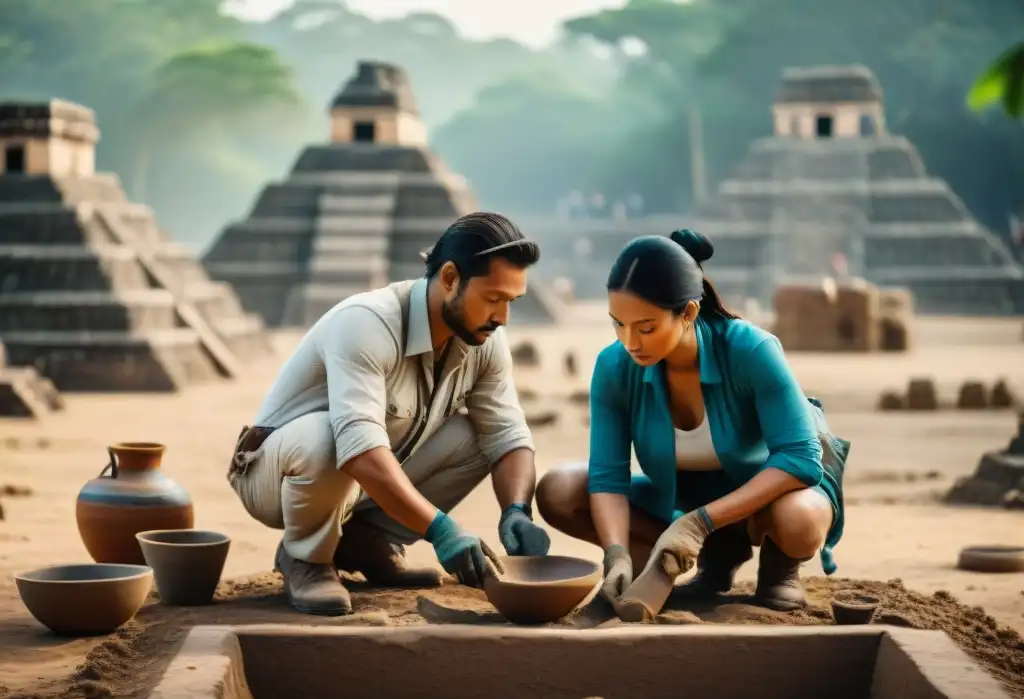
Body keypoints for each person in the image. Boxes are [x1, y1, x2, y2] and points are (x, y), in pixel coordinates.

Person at [227, 212, 552, 616]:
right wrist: (441, 531)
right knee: (332, 438)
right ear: (450, 278)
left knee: (476, 438)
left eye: (510, 302)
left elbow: (508, 437)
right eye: (493, 299)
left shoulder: (484, 340)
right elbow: (359, 448)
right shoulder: (366, 323)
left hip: (354, 482)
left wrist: (517, 512)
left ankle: (365, 542)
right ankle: (306, 559)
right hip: (273, 477)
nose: (502, 318)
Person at [536, 229, 849, 613]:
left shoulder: (751, 350)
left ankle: (778, 569)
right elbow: (607, 476)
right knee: (558, 490)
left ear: (688, 313)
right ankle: (689, 557)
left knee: (799, 518)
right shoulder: (615, 366)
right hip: (682, 495)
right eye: (618, 324)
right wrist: (615, 553)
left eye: (646, 328)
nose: (630, 342)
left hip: (769, 495)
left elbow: (801, 458)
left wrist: (697, 525)